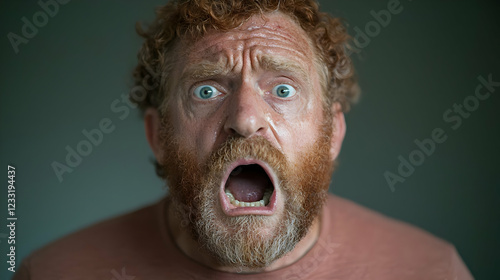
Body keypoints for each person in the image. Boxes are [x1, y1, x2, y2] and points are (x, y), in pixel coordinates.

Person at [14, 0, 473, 279]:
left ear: (332, 133)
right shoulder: (56, 272)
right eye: (207, 90)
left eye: (283, 90)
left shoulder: (430, 270)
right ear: (158, 135)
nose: (245, 118)